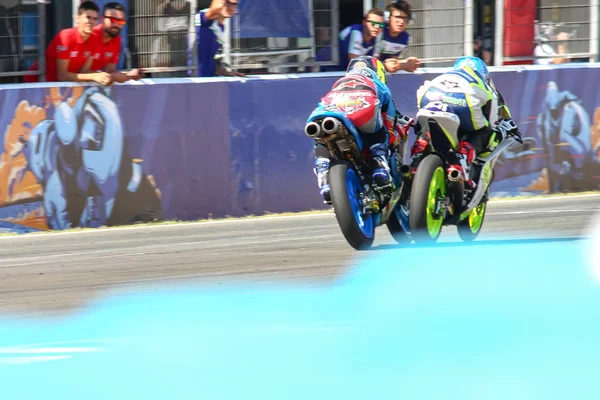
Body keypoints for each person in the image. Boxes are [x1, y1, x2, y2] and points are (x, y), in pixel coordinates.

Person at [312, 55, 415, 204]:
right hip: (364, 106)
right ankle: (380, 164)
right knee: (379, 129)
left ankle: (323, 171)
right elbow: (389, 119)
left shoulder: (340, 82)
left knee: (322, 136)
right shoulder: (378, 84)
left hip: (330, 108)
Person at [412, 56, 521, 188]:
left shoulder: (448, 74)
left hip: (428, 95)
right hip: (464, 101)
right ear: (484, 73)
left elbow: (422, 90)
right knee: (485, 132)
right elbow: (493, 122)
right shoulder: (485, 84)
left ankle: (419, 149)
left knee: (426, 127)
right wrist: (501, 130)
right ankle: (463, 155)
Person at [26, 1, 111, 85]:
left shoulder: (94, 39)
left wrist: (103, 76)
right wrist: (94, 76)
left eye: (95, 19)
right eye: (88, 17)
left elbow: (84, 71)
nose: (91, 22)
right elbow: (62, 75)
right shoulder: (66, 36)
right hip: (37, 83)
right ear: (77, 18)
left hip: (61, 86)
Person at [91, 2, 143, 82]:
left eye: (121, 21)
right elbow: (82, 71)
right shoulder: (92, 35)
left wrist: (129, 75)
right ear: (102, 19)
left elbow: (109, 71)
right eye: (112, 20)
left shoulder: (117, 39)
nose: (116, 24)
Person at [192, 0, 245, 77]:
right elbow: (214, 10)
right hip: (195, 79)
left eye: (234, 4)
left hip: (209, 79)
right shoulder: (202, 16)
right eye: (227, 2)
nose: (231, 7)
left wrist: (226, 72)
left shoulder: (222, 28)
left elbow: (211, 59)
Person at [377, 1, 420, 73]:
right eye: (397, 17)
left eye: (405, 18)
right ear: (388, 18)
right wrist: (385, 65)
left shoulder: (406, 39)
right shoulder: (379, 32)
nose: (401, 21)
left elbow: (394, 60)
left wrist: (406, 64)